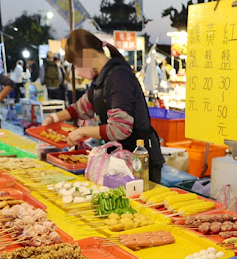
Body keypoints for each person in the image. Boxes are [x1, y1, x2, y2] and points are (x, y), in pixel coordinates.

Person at [43, 29, 165, 183]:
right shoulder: (100, 79)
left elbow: (119, 129)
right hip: (119, 157)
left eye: (76, 63)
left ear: (87, 54)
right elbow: (82, 107)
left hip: (140, 159)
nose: (77, 70)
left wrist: (83, 131)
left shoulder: (119, 76)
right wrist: (53, 117)